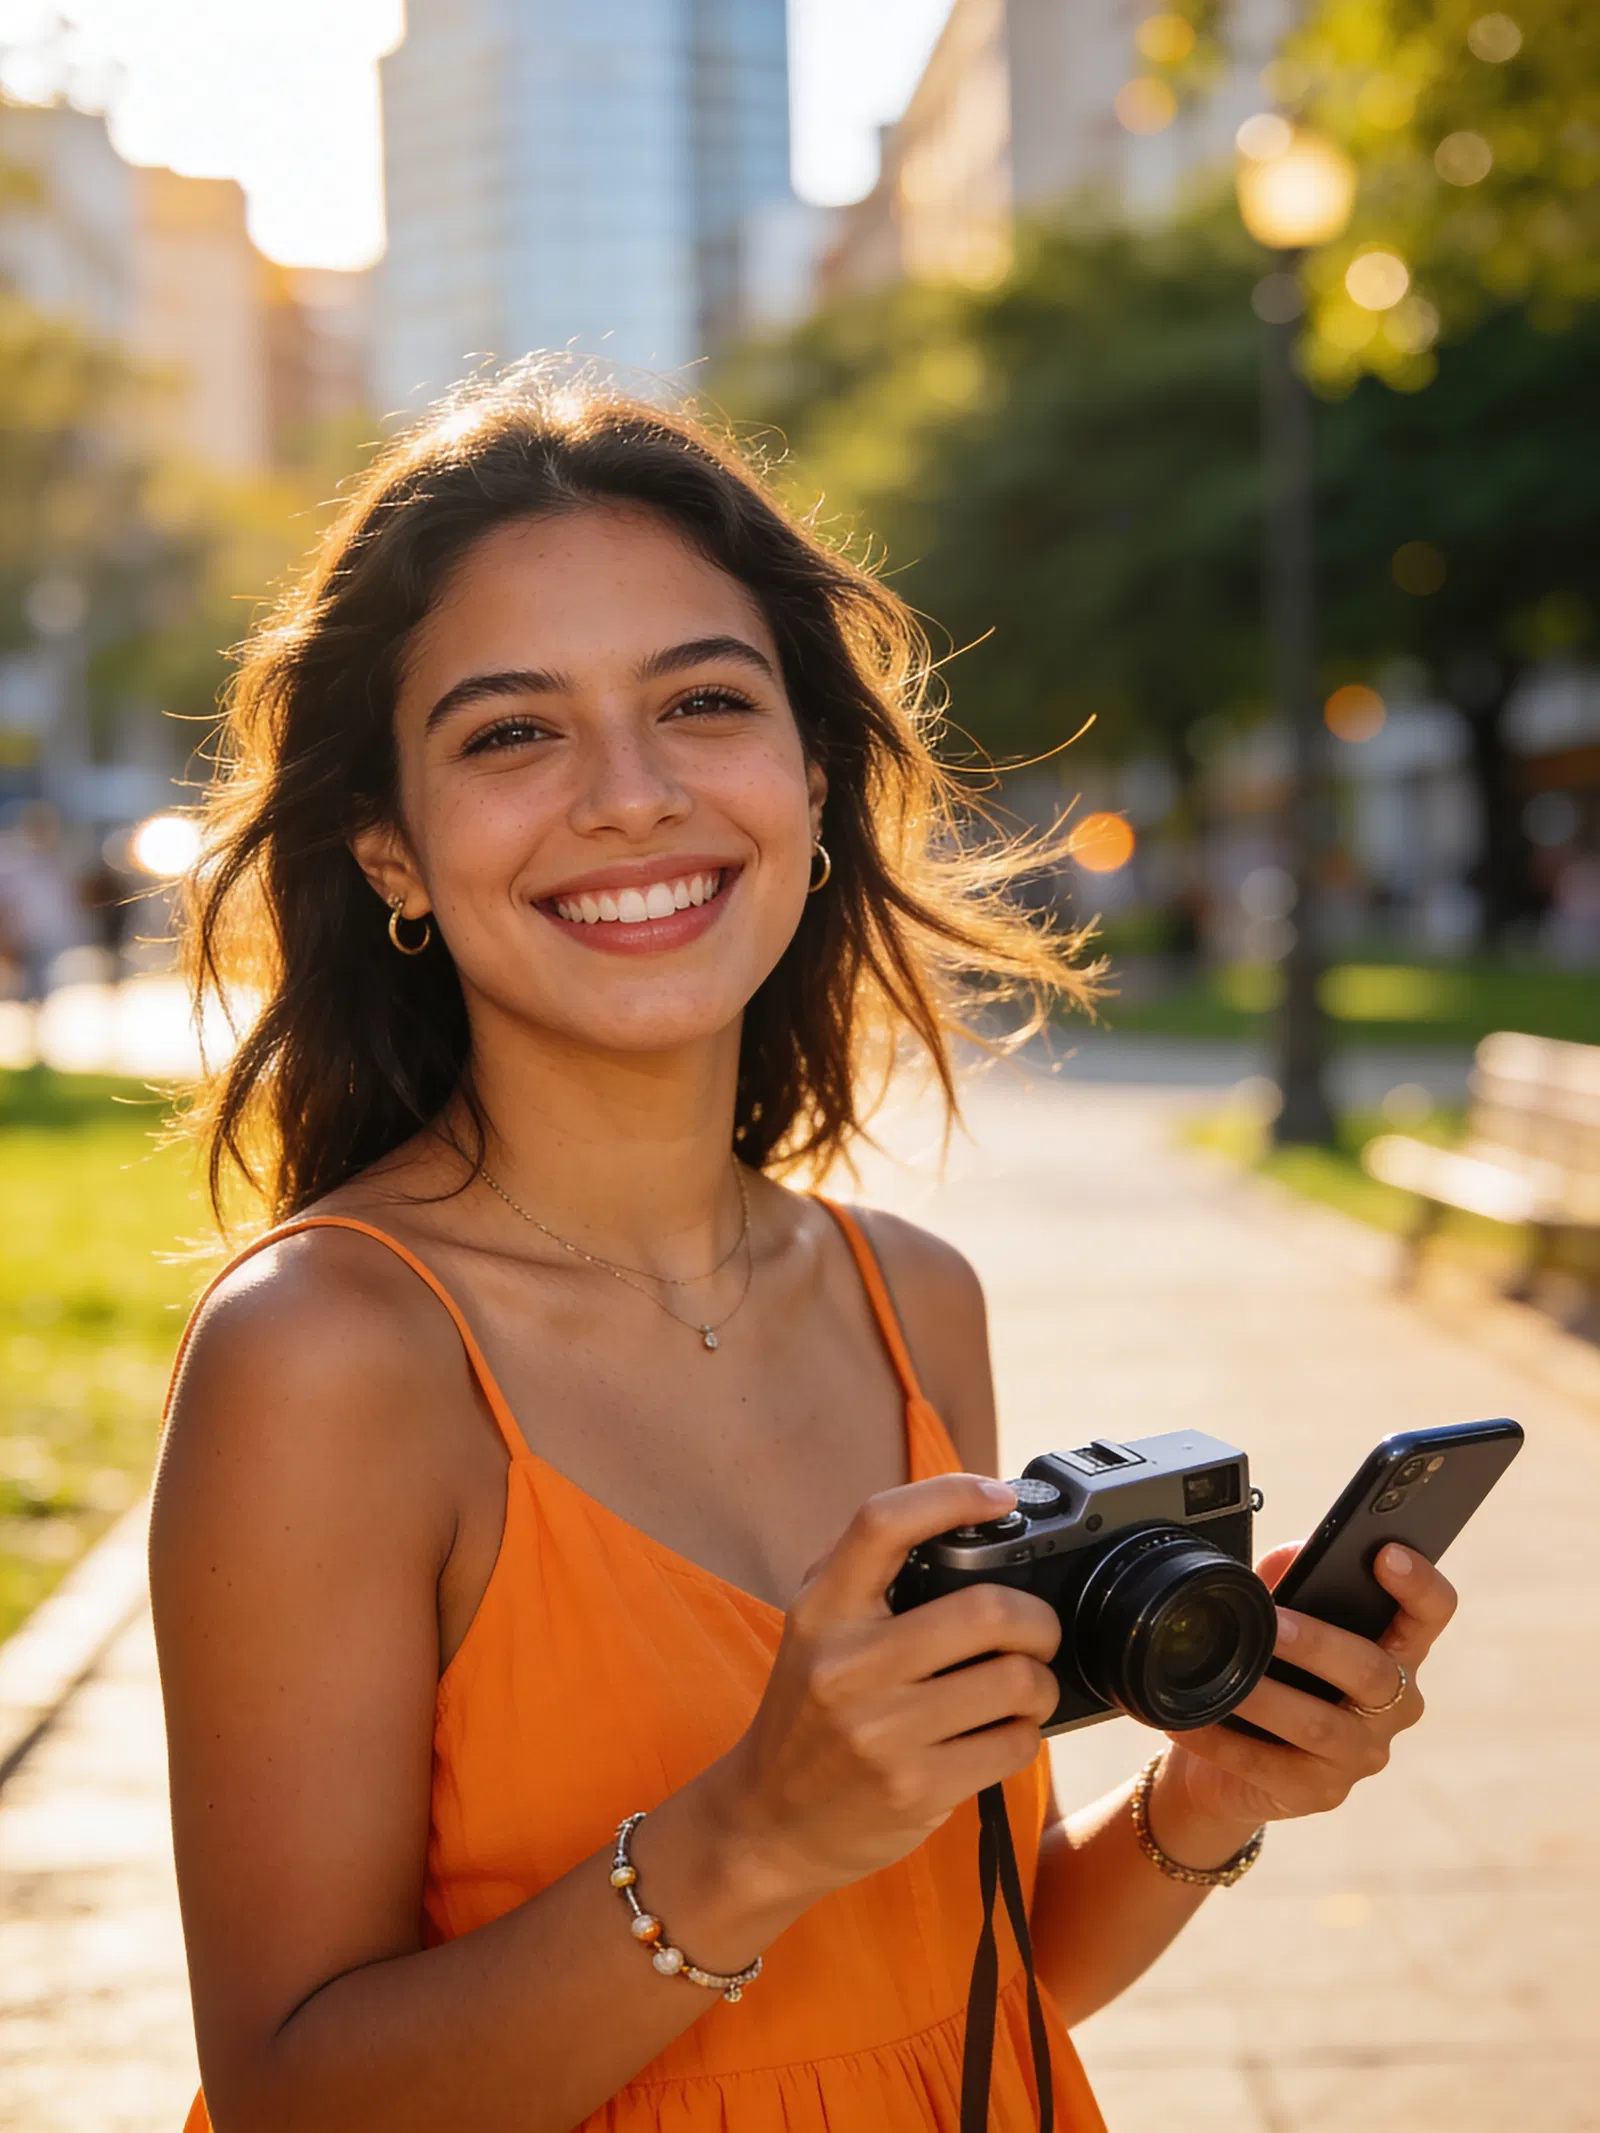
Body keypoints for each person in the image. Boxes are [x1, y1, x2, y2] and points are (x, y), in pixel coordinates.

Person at [151, 366, 1460, 2133]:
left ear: (814, 777)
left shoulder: (914, 1298)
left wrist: (1206, 1799)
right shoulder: (328, 1357)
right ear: (390, 847)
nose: (630, 795)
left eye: (702, 700)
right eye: (511, 731)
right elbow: (298, 2101)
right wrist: (745, 1836)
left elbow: (944, 1995)